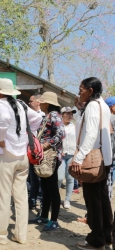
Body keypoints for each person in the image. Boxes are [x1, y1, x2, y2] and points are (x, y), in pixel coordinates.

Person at [0, 79, 42, 245]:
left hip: (5, 156)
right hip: (21, 156)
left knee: (2, 196)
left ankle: (1, 236)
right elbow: (37, 118)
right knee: (21, 197)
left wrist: (2, 139)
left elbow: (3, 120)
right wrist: (22, 137)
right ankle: (20, 235)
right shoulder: (21, 105)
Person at [71, 77, 113, 250]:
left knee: (93, 202)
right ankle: (106, 236)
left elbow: (90, 134)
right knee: (103, 200)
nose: (79, 92)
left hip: (93, 159)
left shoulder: (93, 106)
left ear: (90, 90)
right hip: (104, 158)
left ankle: (96, 241)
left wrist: (78, 158)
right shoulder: (102, 105)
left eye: (81, 89)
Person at [29, 92, 65, 231]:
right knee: (45, 188)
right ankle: (44, 216)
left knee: (52, 189)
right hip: (44, 157)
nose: (39, 103)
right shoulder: (47, 116)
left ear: (47, 103)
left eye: (41, 101)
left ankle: (54, 220)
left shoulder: (54, 115)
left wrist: (46, 145)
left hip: (51, 157)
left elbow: (61, 133)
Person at [28, 92, 44, 210]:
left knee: (40, 177)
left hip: (41, 151)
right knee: (32, 177)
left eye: (31, 101)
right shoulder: (27, 116)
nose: (29, 103)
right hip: (30, 150)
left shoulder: (44, 116)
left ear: (38, 102)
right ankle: (32, 200)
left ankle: (40, 199)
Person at [58, 107, 76, 209]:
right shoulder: (59, 126)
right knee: (59, 178)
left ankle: (67, 200)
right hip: (61, 155)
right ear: (62, 115)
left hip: (71, 155)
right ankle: (55, 198)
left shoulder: (74, 126)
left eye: (71, 114)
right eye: (67, 114)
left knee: (70, 178)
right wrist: (59, 151)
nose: (70, 116)